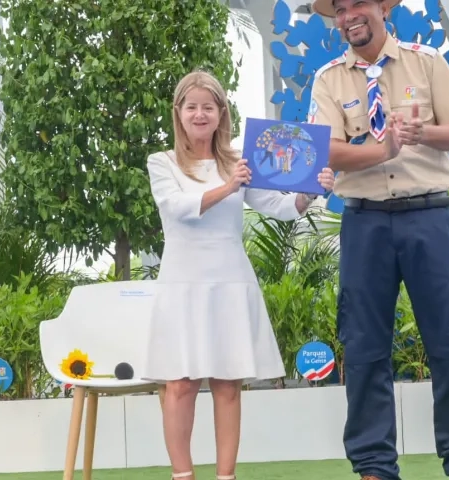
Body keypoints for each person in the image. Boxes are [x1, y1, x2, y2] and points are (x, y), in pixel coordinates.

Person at [307, 1, 449, 479]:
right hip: (364, 222)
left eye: (358, 4)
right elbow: (325, 150)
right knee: (364, 348)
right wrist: (382, 149)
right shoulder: (329, 78)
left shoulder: (425, 60)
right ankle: (374, 467)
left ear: (382, 8)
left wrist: (421, 132)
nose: (349, 16)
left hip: (429, 215)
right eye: (339, 9)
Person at [140, 70, 336, 480]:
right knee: (179, 385)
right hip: (182, 283)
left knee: (228, 384)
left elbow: (280, 206)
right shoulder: (162, 163)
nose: (199, 114)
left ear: (221, 112)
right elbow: (178, 208)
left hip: (230, 281)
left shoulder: (240, 161)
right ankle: (183, 475)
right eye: (191, 106)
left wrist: (311, 191)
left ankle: (226, 476)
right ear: (178, 113)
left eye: (207, 107)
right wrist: (230, 187)